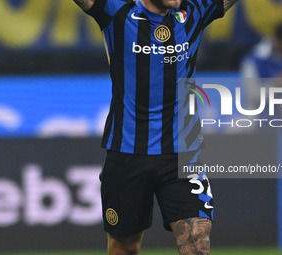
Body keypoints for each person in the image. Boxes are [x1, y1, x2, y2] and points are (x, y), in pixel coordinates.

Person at [73, 0, 239, 254]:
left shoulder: (195, 10)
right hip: (127, 154)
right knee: (124, 248)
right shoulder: (116, 11)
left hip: (182, 153)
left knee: (197, 241)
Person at [241, 21, 282, 126]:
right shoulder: (254, 61)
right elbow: (253, 97)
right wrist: (278, 83)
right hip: (259, 121)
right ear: (277, 40)